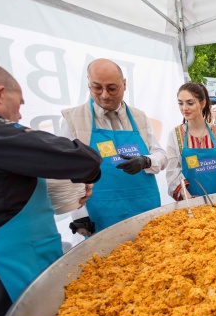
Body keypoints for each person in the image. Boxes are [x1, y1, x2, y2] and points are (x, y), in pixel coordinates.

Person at [0, 60, 102, 316]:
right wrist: (86, 173)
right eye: (19, 103)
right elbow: (80, 158)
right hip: (2, 275)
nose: (20, 114)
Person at [60, 58, 168, 234]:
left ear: (124, 85)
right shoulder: (73, 119)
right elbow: (65, 172)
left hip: (144, 207)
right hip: (102, 213)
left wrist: (146, 161)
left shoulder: (139, 117)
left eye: (111, 88)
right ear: (88, 84)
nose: (104, 95)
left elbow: (161, 155)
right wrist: (78, 215)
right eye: (97, 87)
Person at [166, 83, 216, 199]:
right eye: (180, 103)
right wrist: (186, 195)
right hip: (192, 202)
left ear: (203, 103)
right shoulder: (175, 135)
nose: (184, 108)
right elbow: (172, 172)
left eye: (190, 103)